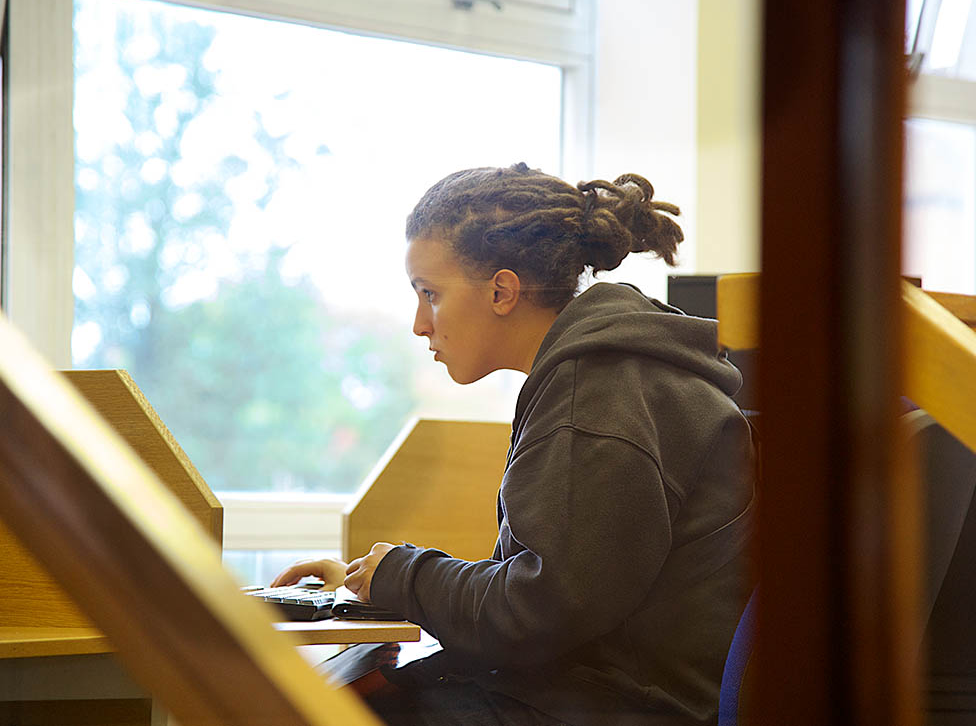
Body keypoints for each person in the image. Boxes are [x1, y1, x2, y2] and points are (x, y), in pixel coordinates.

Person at [272, 163, 756, 725]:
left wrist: (405, 576)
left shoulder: (598, 394)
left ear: (502, 290)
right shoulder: (601, 375)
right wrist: (376, 586)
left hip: (610, 708)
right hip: (584, 694)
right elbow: (549, 589)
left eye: (430, 294)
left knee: (305, 707)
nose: (419, 325)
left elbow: (536, 613)